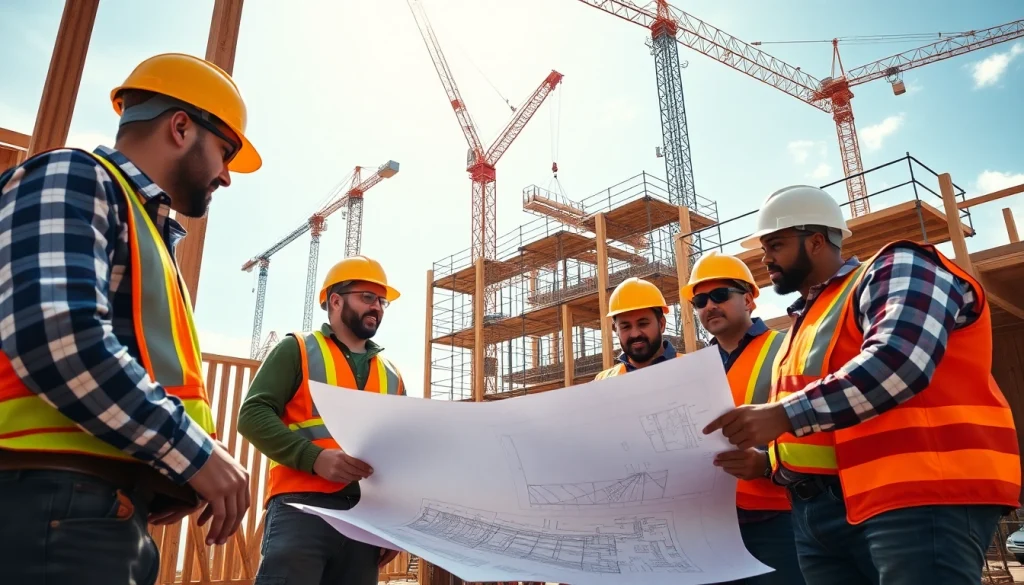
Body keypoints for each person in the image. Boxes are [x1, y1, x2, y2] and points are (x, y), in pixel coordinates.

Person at [0, 52, 257, 583]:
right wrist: (193, 454)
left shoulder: (147, 234)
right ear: (181, 127)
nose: (227, 177)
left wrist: (164, 471)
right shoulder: (71, 175)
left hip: (95, 510)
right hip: (49, 501)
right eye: (225, 151)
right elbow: (55, 335)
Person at [703, 185, 1021, 584]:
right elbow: (828, 434)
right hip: (823, 510)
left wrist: (783, 415)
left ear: (817, 241)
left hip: (923, 494)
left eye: (776, 244)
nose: (765, 257)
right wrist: (769, 462)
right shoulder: (808, 319)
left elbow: (900, 362)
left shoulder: (899, 266)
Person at [238, 255, 407, 585]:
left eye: (382, 301)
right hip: (301, 508)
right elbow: (252, 415)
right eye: (367, 297)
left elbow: (398, 456)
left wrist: (393, 524)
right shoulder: (297, 349)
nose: (377, 307)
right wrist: (313, 458)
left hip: (366, 519)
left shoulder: (393, 376)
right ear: (335, 300)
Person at [680, 251, 803, 585]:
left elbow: (812, 427)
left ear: (749, 300)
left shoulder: (786, 350)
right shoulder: (695, 368)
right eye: (700, 300)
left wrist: (765, 464)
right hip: (714, 527)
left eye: (720, 295)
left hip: (777, 521)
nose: (709, 306)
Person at [594, 277, 677, 379]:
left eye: (643, 324)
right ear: (615, 330)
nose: (635, 334)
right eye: (626, 326)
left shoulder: (691, 369)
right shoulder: (603, 382)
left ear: (661, 324)